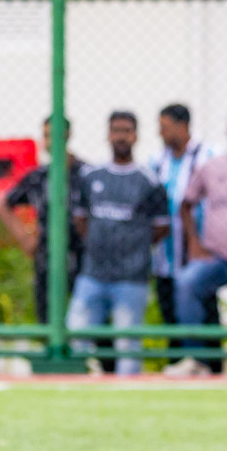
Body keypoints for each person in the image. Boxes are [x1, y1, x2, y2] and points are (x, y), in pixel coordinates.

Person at [68, 112, 170, 376]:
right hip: (93, 273)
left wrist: (133, 247)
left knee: (127, 343)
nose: (121, 136)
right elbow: (80, 220)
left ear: (135, 135)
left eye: (126, 130)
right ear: (108, 134)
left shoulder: (149, 180)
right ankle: (77, 388)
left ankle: (129, 393)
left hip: (131, 277)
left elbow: (161, 227)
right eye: (116, 130)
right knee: (76, 333)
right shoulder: (91, 176)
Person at [174, 109, 227, 364]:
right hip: (214, 258)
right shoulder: (212, 167)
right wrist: (194, 244)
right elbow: (186, 204)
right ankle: (196, 360)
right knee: (186, 283)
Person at [149, 104, 217, 374]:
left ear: (182, 125)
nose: (161, 133)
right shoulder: (156, 161)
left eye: (164, 126)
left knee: (206, 310)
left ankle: (212, 367)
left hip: (200, 252)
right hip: (165, 254)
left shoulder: (208, 156)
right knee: (170, 313)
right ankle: (179, 365)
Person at [0, 116, 84, 324]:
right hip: (47, 258)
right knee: (47, 320)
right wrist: (25, 238)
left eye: (55, 135)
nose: (50, 141)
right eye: (46, 136)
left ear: (68, 135)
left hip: (82, 259)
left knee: (88, 322)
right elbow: (4, 206)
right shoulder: (39, 177)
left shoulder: (86, 174)